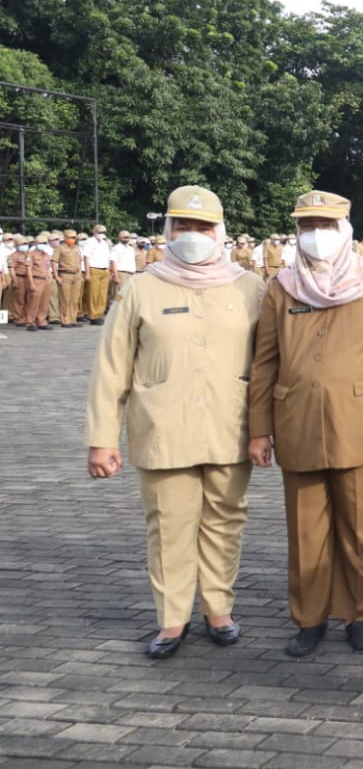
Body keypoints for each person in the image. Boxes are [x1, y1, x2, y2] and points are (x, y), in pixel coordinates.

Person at [83, 186, 265, 658]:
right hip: (164, 429)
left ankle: (219, 608)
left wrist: (269, 429)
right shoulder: (142, 287)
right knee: (169, 526)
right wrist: (102, 439)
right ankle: (171, 619)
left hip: (232, 426)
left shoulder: (249, 288)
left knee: (225, 522)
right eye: (183, 226)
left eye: (203, 227)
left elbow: (271, 365)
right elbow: (111, 366)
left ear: (219, 232)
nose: (193, 235)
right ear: (167, 230)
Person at [247, 191, 363, 657]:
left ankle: (361, 614)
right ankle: (309, 617)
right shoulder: (282, 286)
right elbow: (264, 362)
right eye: (307, 226)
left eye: (325, 225)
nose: (316, 235)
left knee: (359, 525)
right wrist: (259, 429)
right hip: (296, 420)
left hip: (360, 421)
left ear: (344, 229)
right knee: (305, 530)